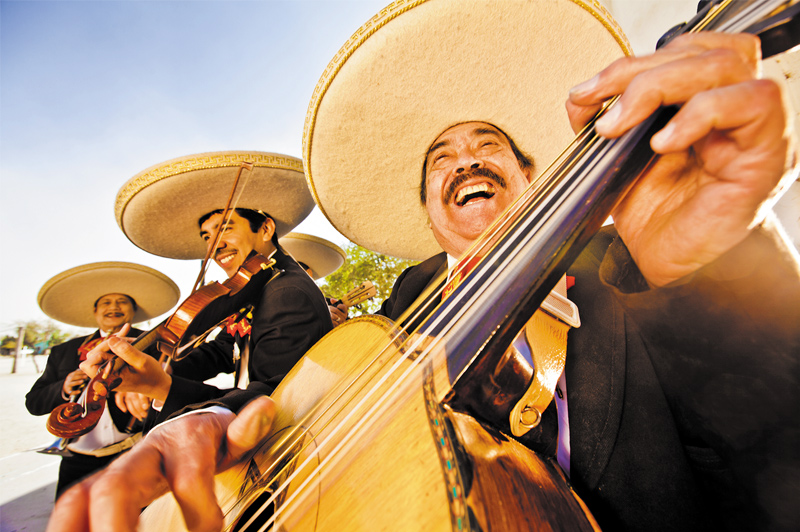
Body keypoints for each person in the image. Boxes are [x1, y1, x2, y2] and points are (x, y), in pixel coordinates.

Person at [47, 2, 799, 531]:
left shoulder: (637, 272)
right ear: (430, 213)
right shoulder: (404, 303)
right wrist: (207, 418)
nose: (466, 159)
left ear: (534, 178)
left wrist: (719, 263)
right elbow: (308, 410)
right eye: (442, 158)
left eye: (488, 145)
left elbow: (776, 473)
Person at [84, 151, 335, 426]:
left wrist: (162, 388)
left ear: (265, 229)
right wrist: (148, 357)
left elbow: (276, 399)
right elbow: (223, 351)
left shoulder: (286, 293)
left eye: (225, 228)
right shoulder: (257, 285)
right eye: (207, 236)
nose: (215, 245)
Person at [26, 261, 180, 498]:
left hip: (136, 453)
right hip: (77, 462)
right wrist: (64, 387)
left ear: (133, 310)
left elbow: (179, 382)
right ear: (95, 312)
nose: (114, 307)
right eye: (106, 303)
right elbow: (33, 403)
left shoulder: (156, 344)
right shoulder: (64, 351)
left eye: (122, 302)